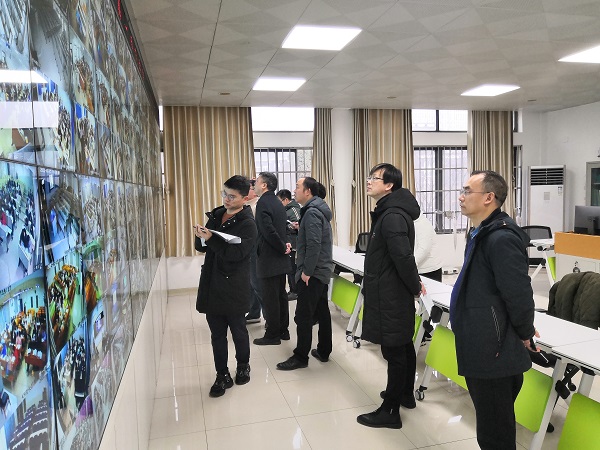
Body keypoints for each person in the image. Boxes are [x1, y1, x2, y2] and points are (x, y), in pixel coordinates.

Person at [450, 170, 537, 450]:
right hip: (481, 340)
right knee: (489, 424)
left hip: (494, 347)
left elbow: (518, 292)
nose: (461, 197)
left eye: (467, 191)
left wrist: (525, 331)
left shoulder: (501, 238)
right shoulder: (480, 233)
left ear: (489, 197)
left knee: (495, 432)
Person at [356, 163, 423, 430]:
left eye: (375, 178)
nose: (369, 181)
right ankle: (405, 394)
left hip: (390, 293)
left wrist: (415, 286)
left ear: (389, 185)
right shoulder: (389, 211)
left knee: (394, 350)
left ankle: (390, 411)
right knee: (402, 344)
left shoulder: (392, 215)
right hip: (390, 290)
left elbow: (403, 257)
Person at [194, 175, 257, 397]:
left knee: (238, 331)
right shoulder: (217, 214)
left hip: (234, 285)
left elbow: (236, 255)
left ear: (245, 198)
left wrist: (211, 239)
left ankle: (243, 365)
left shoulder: (248, 224)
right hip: (212, 283)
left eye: (232, 196)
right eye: (224, 194)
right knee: (217, 334)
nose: (226, 199)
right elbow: (203, 248)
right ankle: (222, 374)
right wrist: (201, 236)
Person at [276, 177, 333, 370]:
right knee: (322, 311)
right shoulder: (314, 211)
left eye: (297, 187)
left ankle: (301, 357)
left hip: (313, 273)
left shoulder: (312, 213)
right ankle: (324, 350)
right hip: (320, 270)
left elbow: (314, 245)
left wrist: (307, 272)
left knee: (303, 316)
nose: (294, 191)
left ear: (308, 191)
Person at [252, 172, 292, 345]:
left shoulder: (263, 202)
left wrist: (282, 246)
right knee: (280, 296)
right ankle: (283, 331)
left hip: (269, 258)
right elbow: (282, 228)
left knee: (270, 298)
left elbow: (268, 230)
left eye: (257, 181)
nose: (254, 184)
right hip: (280, 258)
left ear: (264, 185)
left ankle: (273, 335)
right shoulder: (277, 201)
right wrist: (285, 245)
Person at [413, 213, 443, 340]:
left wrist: (407, 265)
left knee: (430, 305)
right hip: (418, 269)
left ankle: (427, 333)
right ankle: (420, 332)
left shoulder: (422, 224)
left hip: (430, 269)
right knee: (421, 304)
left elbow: (423, 250)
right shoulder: (410, 223)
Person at [276, 189, 301, 301]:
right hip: (288, 242)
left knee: (292, 269)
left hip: (294, 243)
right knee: (289, 269)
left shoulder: (294, 210)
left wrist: (290, 226)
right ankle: (292, 290)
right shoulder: (286, 210)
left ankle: (295, 291)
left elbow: (299, 225)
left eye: (280, 201)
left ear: (286, 200)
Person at [245, 179, 263, 324]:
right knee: (250, 284)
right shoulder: (246, 206)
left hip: (255, 250)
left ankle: (269, 318)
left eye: (249, 188)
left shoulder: (257, 206)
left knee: (257, 285)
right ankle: (254, 312)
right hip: (246, 250)